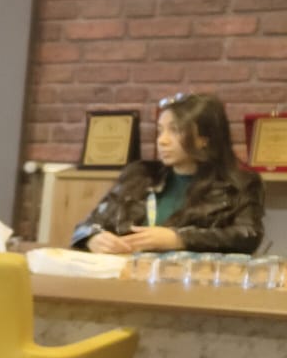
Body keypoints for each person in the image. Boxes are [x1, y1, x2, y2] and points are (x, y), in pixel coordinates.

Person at [72, 92, 264, 255]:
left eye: (175, 130)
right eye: (160, 130)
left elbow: (248, 236)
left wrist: (179, 239)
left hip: (191, 280)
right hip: (127, 273)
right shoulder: (139, 175)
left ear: (204, 138)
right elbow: (87, 226)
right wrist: (92, 238)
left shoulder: (239, 183)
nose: (162, 141)